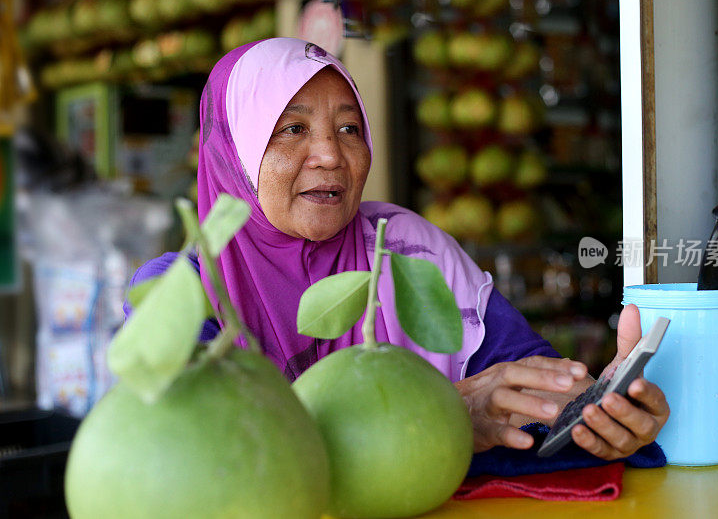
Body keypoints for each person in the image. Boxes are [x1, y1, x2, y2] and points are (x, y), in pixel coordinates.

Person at [125, 38, 668, 460]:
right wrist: (445, 413)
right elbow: (213, 454)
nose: (330, 156)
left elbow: (521, 389)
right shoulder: (179, 296)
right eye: (291, 129)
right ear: (232, 155)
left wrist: (597, 412)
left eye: (349, 128)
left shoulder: (408, 249)